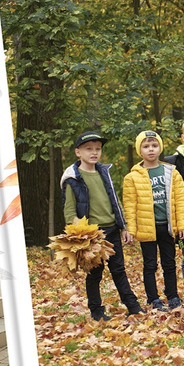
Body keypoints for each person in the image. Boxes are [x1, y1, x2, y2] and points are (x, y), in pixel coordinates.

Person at [58, 130, 141, 318]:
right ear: (78, 152)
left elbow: (115, 201)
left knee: (119, 269)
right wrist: (83, 235)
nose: (94, 152)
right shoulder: (72, 179)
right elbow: (69, 211)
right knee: (95, 274)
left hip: (112, 229)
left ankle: (133, 307)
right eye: (88, 149)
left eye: (97, 149)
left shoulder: (104, 173)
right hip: (92, 235)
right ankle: (96, 312)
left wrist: (123, 226)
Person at [117, 130, 184, 312]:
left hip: (167, 226)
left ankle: (173, 296)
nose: (151, 149)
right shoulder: (132, 177)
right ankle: (153, 298)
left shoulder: (171, 172)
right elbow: (130, 206)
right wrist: (130, 230)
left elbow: (180, 200)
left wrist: (182, 224)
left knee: (169, 263)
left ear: (160, 148)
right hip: (147, 228)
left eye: (154, 145)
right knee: (150, 265)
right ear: (139, 150)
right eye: (146, 146)